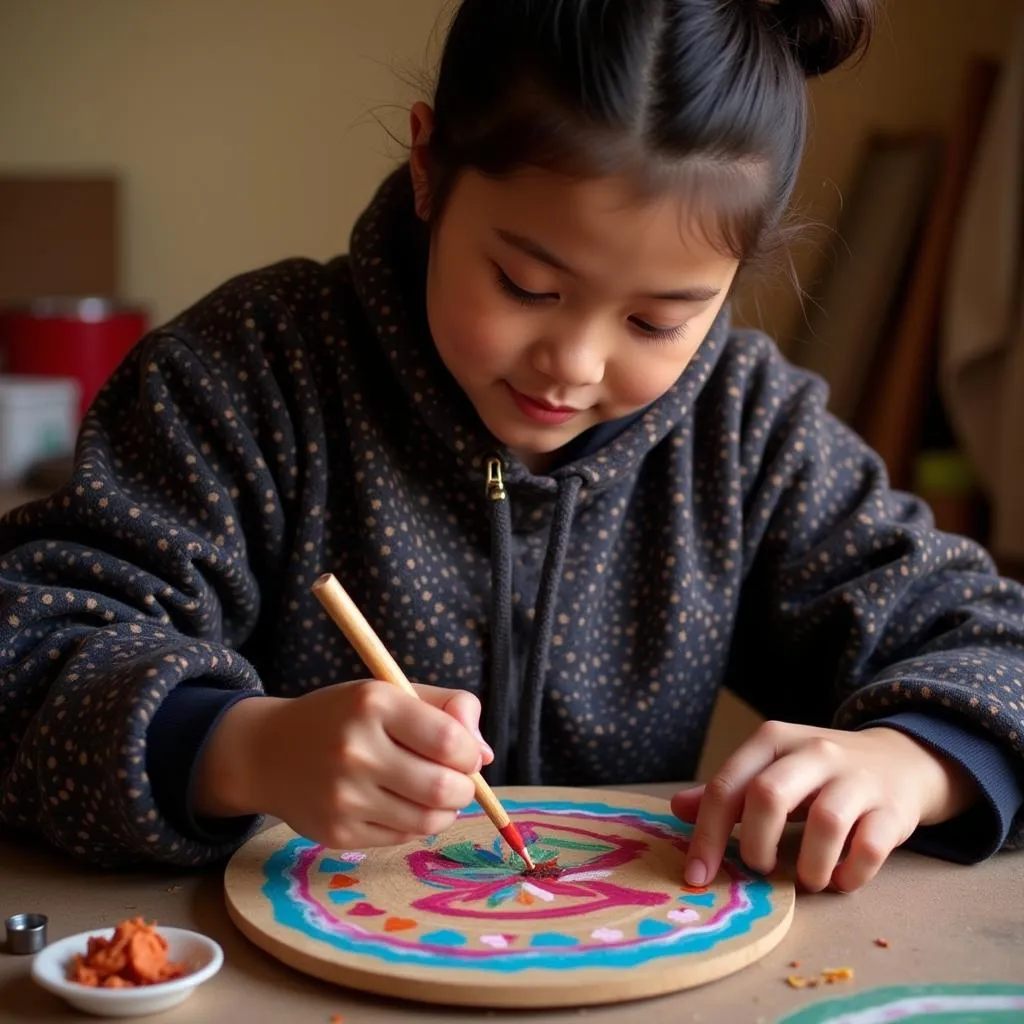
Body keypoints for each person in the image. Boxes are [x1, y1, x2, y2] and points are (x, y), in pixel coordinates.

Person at [1, 0, 1021, 895]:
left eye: (658, 321)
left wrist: (911, 762)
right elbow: (28, 649)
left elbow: (992, 647)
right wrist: (241, 749)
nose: (573, 363)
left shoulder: (746, 433)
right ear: (428, 167)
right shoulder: (243, 379)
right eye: (529, 287)